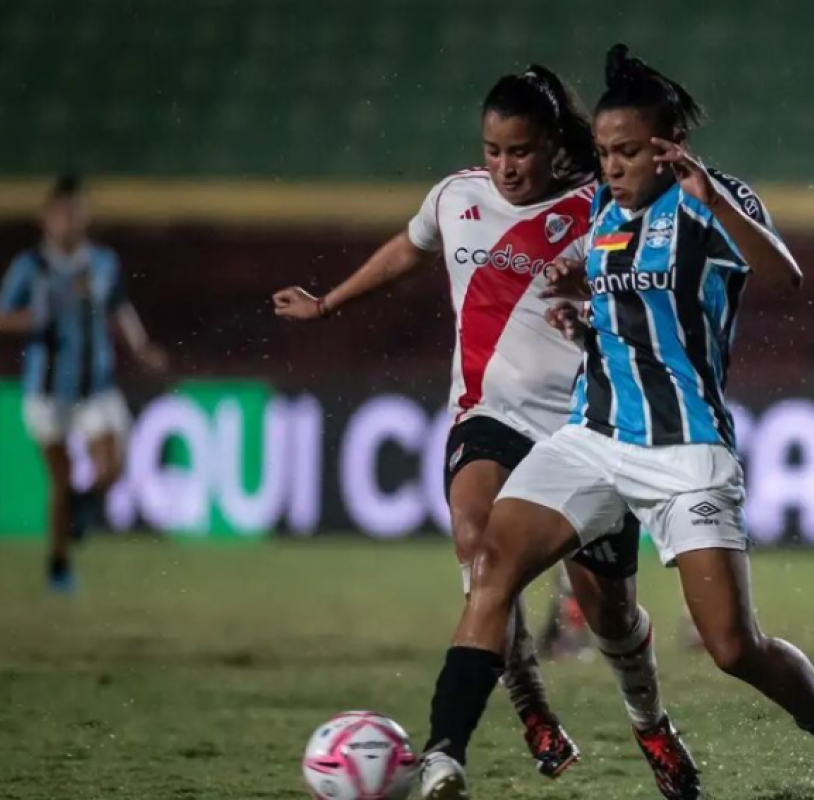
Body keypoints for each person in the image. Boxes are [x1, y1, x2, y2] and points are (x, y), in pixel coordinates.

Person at [417, 45, 814, 800]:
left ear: (667, 144)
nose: (610, 166)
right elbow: (605, 278)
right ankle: (443, 758)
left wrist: (711, 196)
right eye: (605, 152)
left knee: (732, 647)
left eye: (626, 152)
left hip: (684, 449)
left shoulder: (710, 204)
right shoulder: (607, 212)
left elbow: (785, 276)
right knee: (491, 564)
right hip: (592, 438)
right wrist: (572, 292)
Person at [273, 65, 698, 797]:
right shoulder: (455, 197)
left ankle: (650, 721)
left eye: (521, 152)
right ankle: (523, 714)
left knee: (613, 616)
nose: (505, 167)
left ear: (551, 147)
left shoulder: (599, 205)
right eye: (494, 151)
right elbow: (410, 247)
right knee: (479, 555)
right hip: (487, 416)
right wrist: (329, 303)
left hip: (585, 429)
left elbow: (648, 281)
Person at [0, 173, 168, 592]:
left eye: (77, 211)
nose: (70, 219)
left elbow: (120, 308)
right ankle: (59, 562)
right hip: (46, 391)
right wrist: (34, 319)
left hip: (95, 386)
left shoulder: (103, 262)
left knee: (113, 463)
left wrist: (141, 347)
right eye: (63, 212)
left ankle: (85, 507)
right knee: (61, 481)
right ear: (46, 219)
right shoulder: (29, 267)